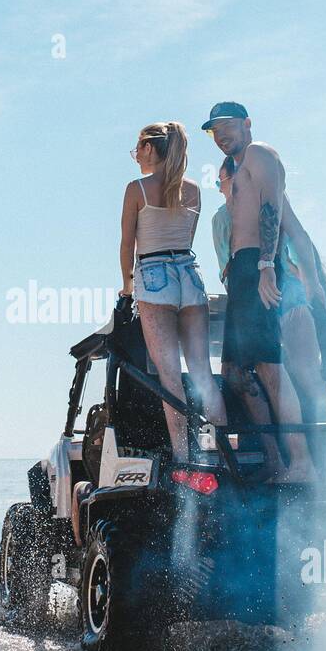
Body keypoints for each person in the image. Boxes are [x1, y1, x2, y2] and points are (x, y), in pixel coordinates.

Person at [202, 102, 315, 484]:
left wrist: (268, 267)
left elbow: (273, 212)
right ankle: (275, 460)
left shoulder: (259, 154)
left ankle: (301, 463)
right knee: (235, 373)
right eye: (214, 131)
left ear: (247, 124)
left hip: (258, 266)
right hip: (242, 274)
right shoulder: (234, 170)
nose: (221, 136)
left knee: (271, 368)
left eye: (227, 127)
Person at [119, 121, 227, 464]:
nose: (136, 157)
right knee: (202, 375)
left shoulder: (137, 189)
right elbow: (187, 240)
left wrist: (127, 286)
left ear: (151, 149)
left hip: (153, 276)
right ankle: (215, 451)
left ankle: (183, 455)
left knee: (169, 377)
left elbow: (127, 245)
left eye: (138, 149)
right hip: (190, 277)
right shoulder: (193, 190)